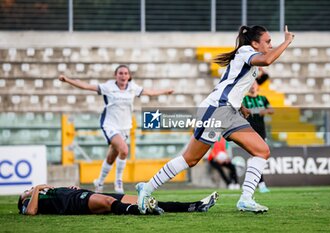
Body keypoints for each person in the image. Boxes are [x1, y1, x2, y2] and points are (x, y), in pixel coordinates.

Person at [136, 25, 294, 213]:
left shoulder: (249, 59)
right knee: (191, 159)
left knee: (262, 151)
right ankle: (146, 188)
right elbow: (268, 60)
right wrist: (286, 42)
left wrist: (240, 106)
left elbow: (233, 84)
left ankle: (246, 198)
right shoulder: (246, 51)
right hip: (216, 111)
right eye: (267, 41)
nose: (270, 44)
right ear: (254, 43)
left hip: (230, 112)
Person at [59, 65, 174, 194]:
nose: (123, 75)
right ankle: (118, 181)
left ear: (129, 76)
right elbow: (86, 86)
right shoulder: (108, 87)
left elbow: (150, 92)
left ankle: (99, 182)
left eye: (125, 73)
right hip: (110, 125)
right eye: (120, 73)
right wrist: (67, 80)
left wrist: (165, 92)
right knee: (124, 150)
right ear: (116, 75)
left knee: (111, 157)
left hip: (125, 127)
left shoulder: (132, 88)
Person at [18, 184, 218, 216]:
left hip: (80, 194)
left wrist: (74, 187)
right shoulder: (30, 201)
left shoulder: (44, 191)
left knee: (147, 198)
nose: (29, 190)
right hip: (75, 204)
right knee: (106, 202)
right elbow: (31, 213)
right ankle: (141, 212)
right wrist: (33, 190)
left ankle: (195, 206)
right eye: (24, 191)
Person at [243, 80, 274, 193]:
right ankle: (260, 184)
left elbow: (272, 110)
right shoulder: (244, 99)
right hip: (250, 131)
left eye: (254, 84)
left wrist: (264, 111)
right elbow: (241, 112)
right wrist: (253, 111)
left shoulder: (263, 99)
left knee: (259, 158)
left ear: (257, 86)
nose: (252, 86)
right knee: (256, 158)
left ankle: (258, 184)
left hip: (261, 132)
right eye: (250, 84)